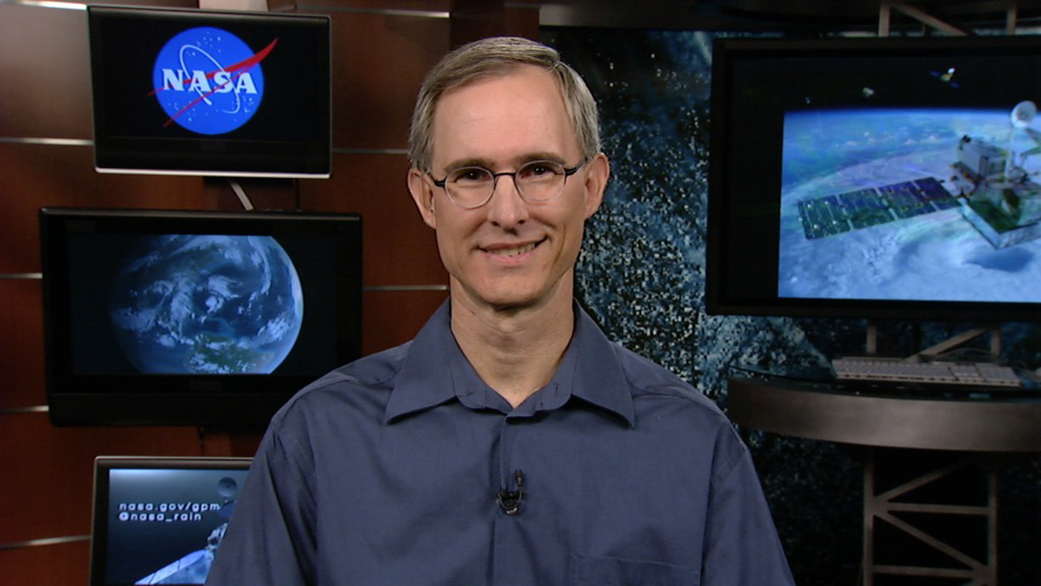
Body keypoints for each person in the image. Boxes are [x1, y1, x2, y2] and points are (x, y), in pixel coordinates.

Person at [206, 36, 795, 586]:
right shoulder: (316, 441)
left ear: (591, 187)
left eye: (539, 170)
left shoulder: (695, 447)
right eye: (472, 175)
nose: (508, 212)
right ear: (426, 197)